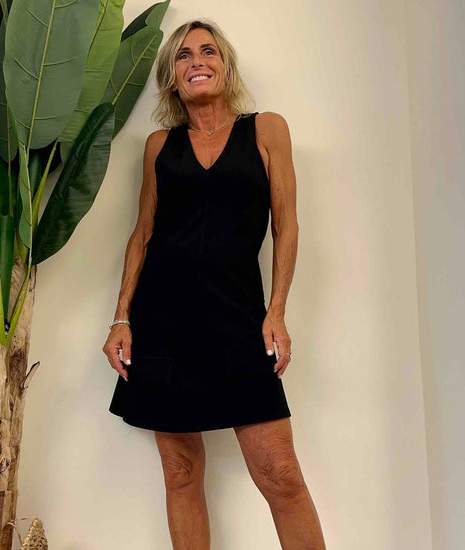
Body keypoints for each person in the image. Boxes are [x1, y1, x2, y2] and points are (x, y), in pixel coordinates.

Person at [103, 18, 327, 550]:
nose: (196, 61)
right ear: (172, 77)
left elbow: (287, 225)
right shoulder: (160, 145)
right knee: (181, 473)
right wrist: (121, 317)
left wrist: (277, 311)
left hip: (238, 320)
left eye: (208, 51)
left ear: (225, 65)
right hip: (163, 323)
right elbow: (142, 233)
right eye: (183, 56)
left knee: (280, 475)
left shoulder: (266, 130)